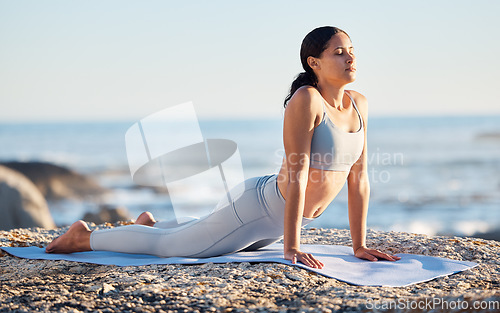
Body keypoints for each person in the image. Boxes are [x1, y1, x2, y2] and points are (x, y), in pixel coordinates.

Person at [46, 26, 400, 268]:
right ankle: (84, 237)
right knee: (169, 250)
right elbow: (298, 174)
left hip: (276, 218)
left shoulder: (359, 103)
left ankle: (151, 223)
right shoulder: (306, 99)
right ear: (314, 63)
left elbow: (359, 179)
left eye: (351, 51)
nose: (350, 58)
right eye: (339, 53)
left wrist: (359, 246)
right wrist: (291, 248)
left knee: (200, 231)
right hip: (261, 208)